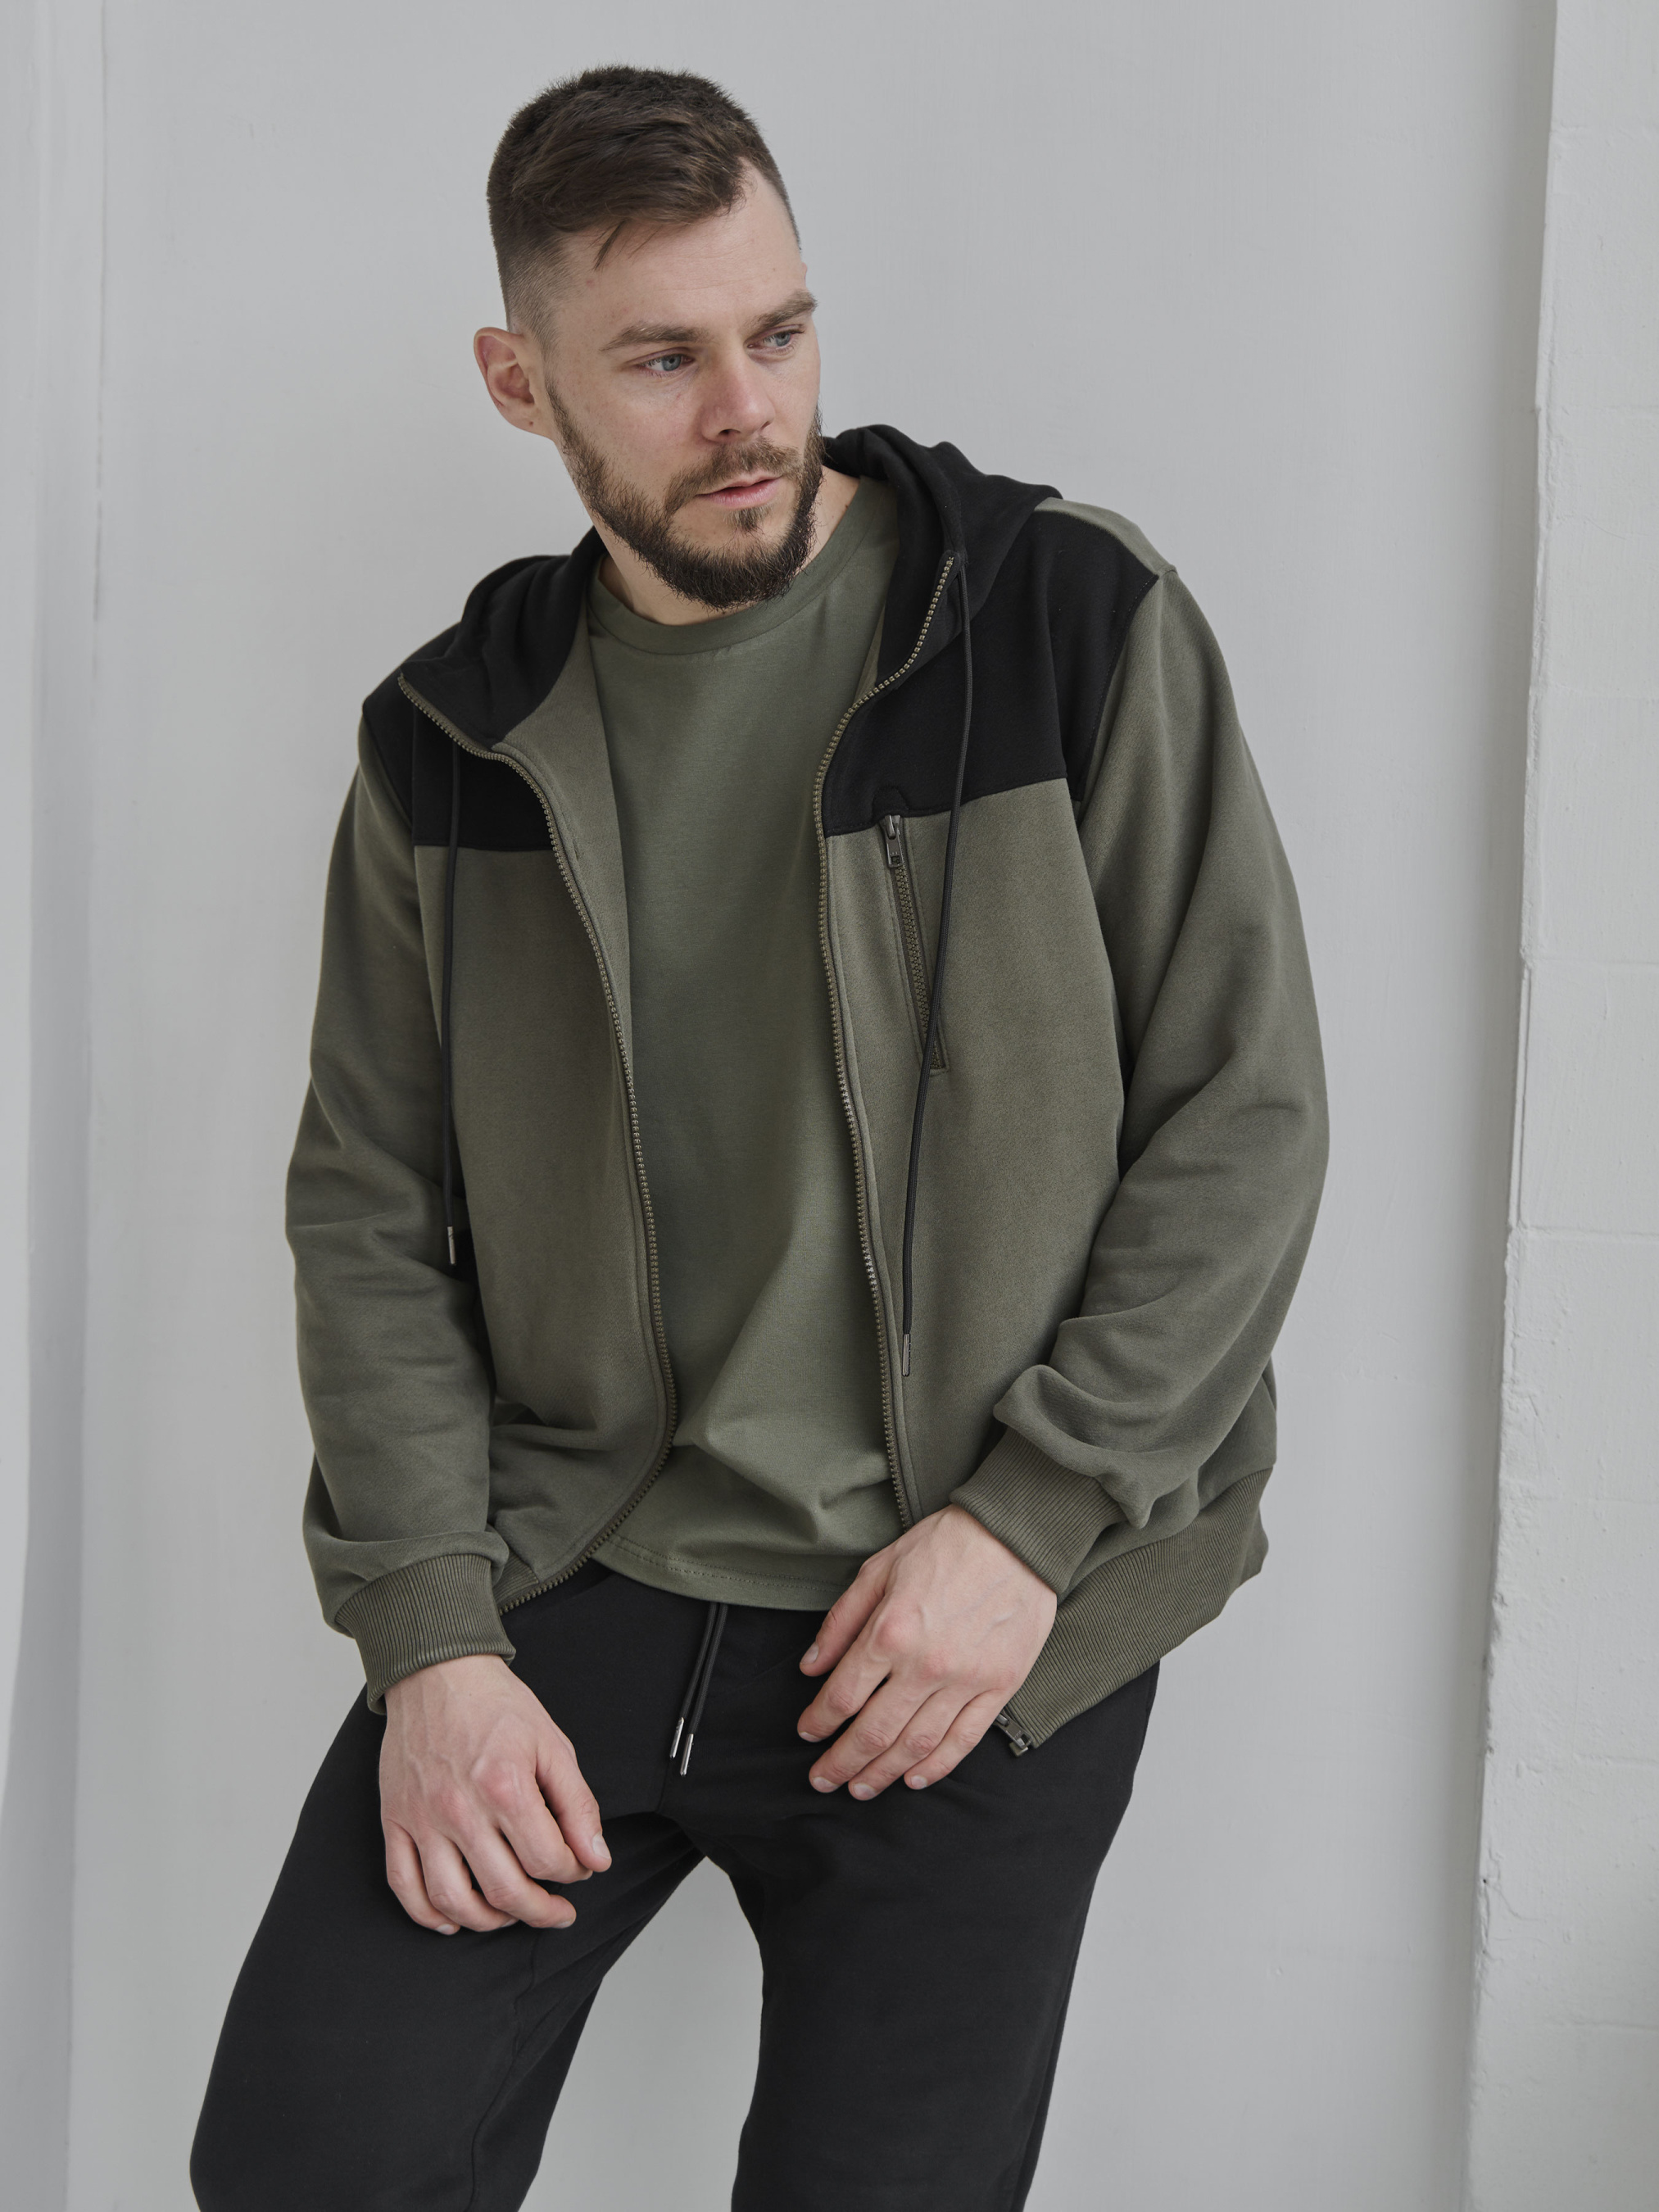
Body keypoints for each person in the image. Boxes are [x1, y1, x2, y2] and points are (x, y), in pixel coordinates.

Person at [190, 63, 1327, 2212]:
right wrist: (434, 1639)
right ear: (521, 383)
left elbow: (1242, 1114)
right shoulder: (451, 737)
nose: (749, 412)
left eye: (779, 331)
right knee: (312, 2161)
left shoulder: (1057, 622)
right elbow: (368, 1214)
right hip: (579, 1566)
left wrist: (1029, 1525)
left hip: (967, 1595)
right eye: (662, 358)